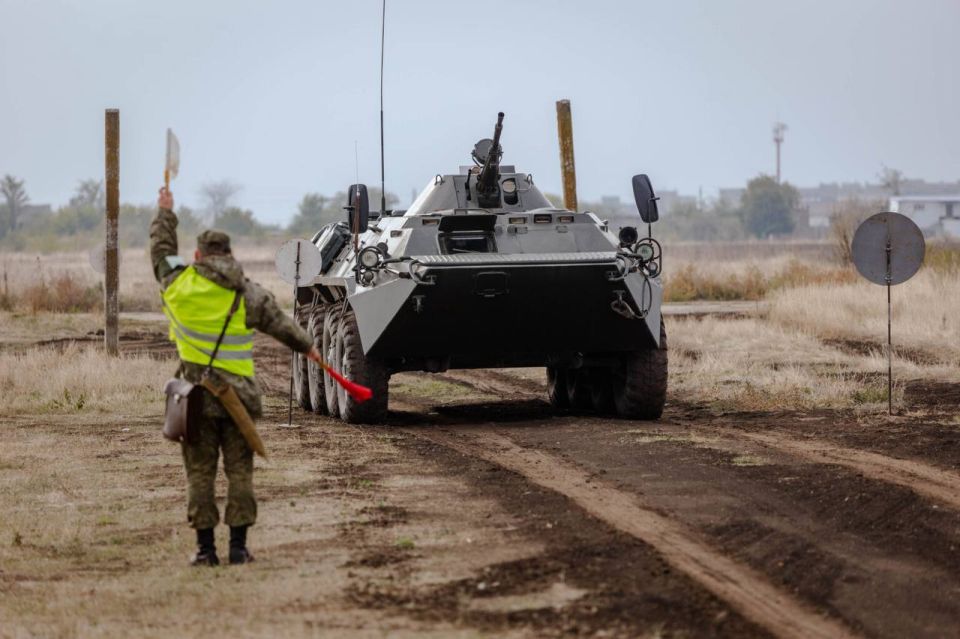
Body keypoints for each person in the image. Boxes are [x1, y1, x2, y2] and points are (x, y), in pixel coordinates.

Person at [150, 186, 323, 566]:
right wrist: (307, 347)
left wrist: (165, 213)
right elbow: (280, 323)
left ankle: (205, 551)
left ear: (197, 256)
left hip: (194, 398)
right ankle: (239, 549)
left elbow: (161, 254)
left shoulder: (178, 284)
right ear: (229, 254)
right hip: (239, 399)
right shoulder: (246, 292)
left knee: (199, 474)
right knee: (240, 473)